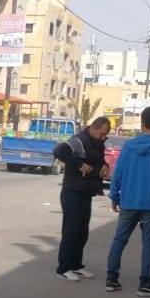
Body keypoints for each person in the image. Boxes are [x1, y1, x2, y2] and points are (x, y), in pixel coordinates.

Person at [105, 106, 150, 297]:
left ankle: (111, 280)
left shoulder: (129, 146)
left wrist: (114, 196)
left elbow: (118, 173)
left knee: (119, 240)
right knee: (149, 245)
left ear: (142, 123)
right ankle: (145, 284)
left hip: (129, 200)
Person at [52, 116, 111, 281]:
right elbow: (59, 151)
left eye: (105, 135)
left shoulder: (97, 143)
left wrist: (104, 166)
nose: (102, 137)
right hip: (73, 191)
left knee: (82, 232)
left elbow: (98, 160)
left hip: (87, 192)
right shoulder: (79, 140)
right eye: (101, 134)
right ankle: (63, 268)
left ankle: (76, 265)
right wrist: (79, 165)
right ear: (92, 128)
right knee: (71, 231)